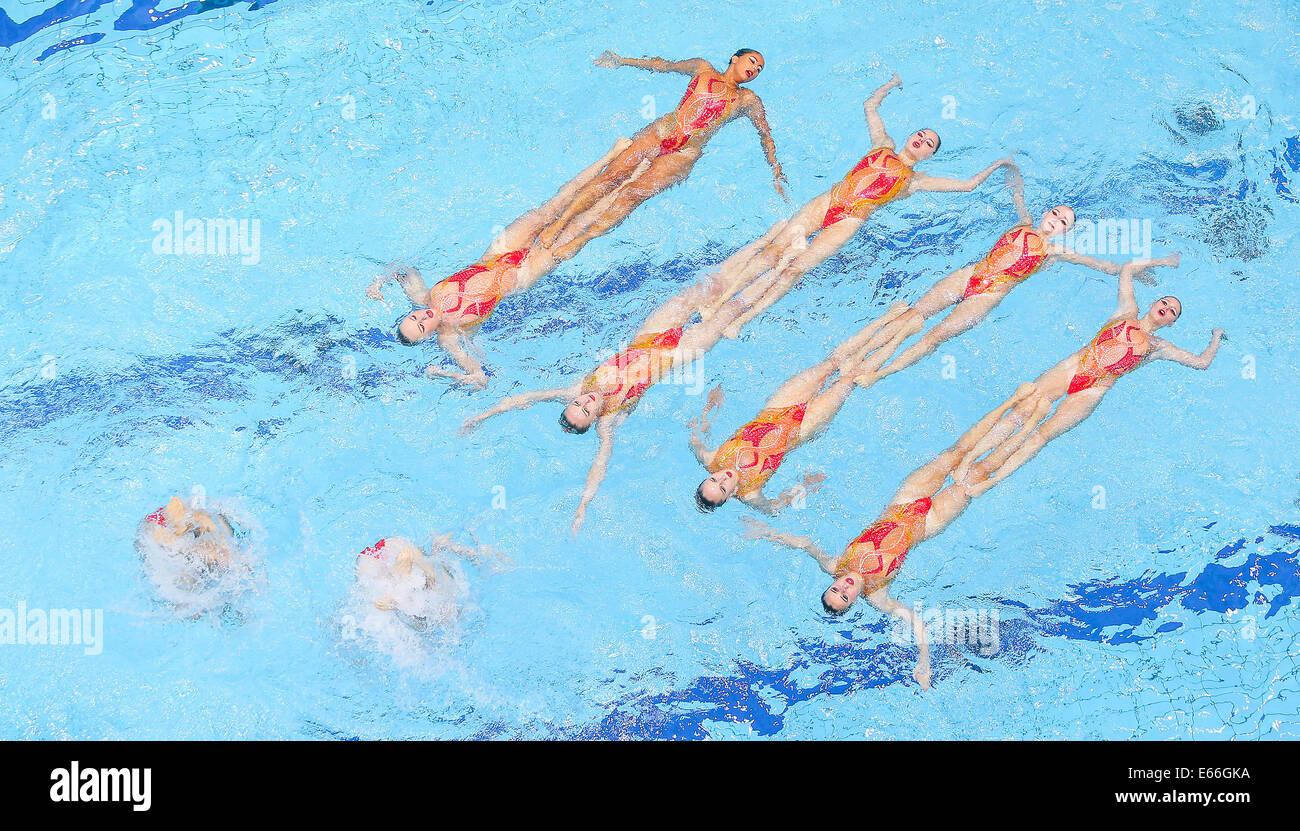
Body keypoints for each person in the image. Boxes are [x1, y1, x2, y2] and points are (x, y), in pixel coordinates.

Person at [461, 254, 806, 534]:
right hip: (675, 356)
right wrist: (583, 505)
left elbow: (527, 398)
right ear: (593, 420)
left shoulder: (576, 388)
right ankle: (781, 267)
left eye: (578, 404)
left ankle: (765, 248)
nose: (587, 401)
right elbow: (600, 464)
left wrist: (483, 415)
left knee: (701, 290)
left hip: (648, 336)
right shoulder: (608, 422)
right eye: (587, 410)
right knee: (730, 311)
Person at [744, 386, 1042, 689]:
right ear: (854, 602)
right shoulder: (878, 596)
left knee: (956, 454)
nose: (844, 585)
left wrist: (767, 533)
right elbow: (916, 623)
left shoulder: (836, 565)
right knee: (976, 474)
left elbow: (805, 543)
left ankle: (1014, 402)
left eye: (836, 588)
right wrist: (924, 663)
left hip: (902, 502)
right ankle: (1029, 426)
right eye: (845, 595)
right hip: (928, 523)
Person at [695, 72, 1014, 339]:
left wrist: (999, 164)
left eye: (929, 143)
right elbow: (869, 105)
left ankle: (741, 320)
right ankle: (718, 300)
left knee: (792, 271)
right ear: (910, 136)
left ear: (929, 155)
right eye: (921, 134)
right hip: (827, 201)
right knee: (771, 253)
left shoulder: (916, 181)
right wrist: (891, 85)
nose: (922, 140)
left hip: (847, 222)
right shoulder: (883, 144)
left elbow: (967, 185)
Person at [842, 168, 1171, 388]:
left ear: (1066, 232)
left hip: (986, 298)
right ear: (1046, 214)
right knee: (914, 316)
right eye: (1055, 213)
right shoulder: (1024, 221)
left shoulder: (1055, 252)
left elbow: (1102, 266)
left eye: (1064, 222)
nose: (1057, 220)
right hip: (967, 277)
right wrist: (1011, 170)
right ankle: (862, 357)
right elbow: (1017, 193)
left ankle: (880, 372)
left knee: (932, 338)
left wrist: (1140, 273)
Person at [366, 139, 644, 388]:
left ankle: (610, 156)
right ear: (428, 336)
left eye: (415, 317)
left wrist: (378, 283)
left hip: (499, 252)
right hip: (522, 275)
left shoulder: (423, 296)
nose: (423, 317)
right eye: (422, 326)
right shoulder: (450, 338)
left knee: (551, 208)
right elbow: (480, 378)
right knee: (578, 226)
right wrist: (446, 375)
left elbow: (402, 267)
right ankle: (631, 181)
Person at [954, 256, 1224, 496]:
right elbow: (1128, 268)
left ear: (1171, 323)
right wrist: (1162, 262)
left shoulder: (1159, 348)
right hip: (1071, 368)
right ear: (1154, 303)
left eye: (1172, 311)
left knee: (1041, 436)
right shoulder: (1127, 311)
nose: (1166, 308)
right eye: (1165, 302)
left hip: (1092, 391)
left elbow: (1201, 363)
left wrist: (1216, 337)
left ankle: (994, 479)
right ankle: (969, 460)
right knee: (1021, 411)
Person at [536, 48, 786, 262]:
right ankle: (559, 223)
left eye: (760, 69)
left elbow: (765, 134)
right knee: (610, 177)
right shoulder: (702, 69)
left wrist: (776, 169)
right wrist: (623, 60)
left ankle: (582, 239)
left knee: (631, 195)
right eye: (752, 61)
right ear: (735, 58)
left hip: (683, 154)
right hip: (660, 132)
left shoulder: (746, 99)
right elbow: (664, 65)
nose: (755, 69)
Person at [689, 303, 913, 512]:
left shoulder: (710, 459)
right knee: (851, 378)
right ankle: (901, 336)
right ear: (729, 497)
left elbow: (696, 435)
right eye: (722, 488)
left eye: (713, 479)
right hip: (802, 429)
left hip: (777, 407)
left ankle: (886, 319)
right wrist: (805, 486)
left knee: (832, 362)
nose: (722, 478)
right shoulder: (749, 494)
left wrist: (711, 406)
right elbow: (776, 507)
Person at [354, 534, 498, 631]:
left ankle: (402, 576)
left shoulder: (442, 589)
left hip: (385, 556)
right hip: (389, 557)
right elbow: (430, 576)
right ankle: (403, 576)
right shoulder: (444, 595)